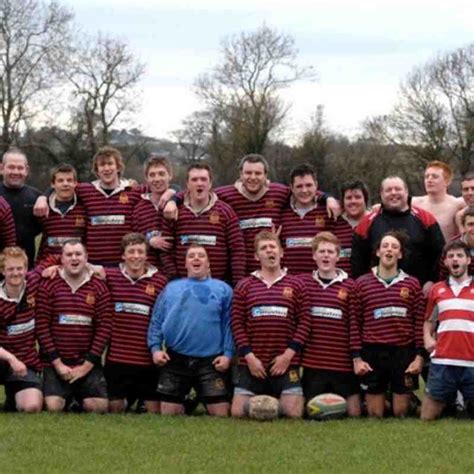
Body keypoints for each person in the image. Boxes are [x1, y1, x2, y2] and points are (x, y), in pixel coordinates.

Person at [230, 231, 310, 418]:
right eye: (264, 248)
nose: (269, 251)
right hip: (252, 363)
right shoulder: (244, 286)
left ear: (281, 252)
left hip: (285, 363)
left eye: (273, 247)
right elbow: (236, 323)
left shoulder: (297, 285)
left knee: (293, 414)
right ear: (257, 256)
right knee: (237, 413)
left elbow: (305, 322)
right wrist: (249, 358)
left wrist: (287, 356)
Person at [148, 244, 234, 416]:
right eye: (191, 256)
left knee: (221, 413)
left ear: (208, 263)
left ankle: (200, 396)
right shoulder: (171, 288)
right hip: (176, 358)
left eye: (201, 256)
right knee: (168, 413)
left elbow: (229, 325)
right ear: (185, 264)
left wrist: (228, 354)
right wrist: (156, 349)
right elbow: (156, 321)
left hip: (211, 361)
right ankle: (188, 400)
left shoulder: (223, 289)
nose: (196, 258)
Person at [352, 231, 426, 418]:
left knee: (400, 412)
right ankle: (381, 396)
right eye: (385, 246)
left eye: (394, 247)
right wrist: (357, 358)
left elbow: (418, 323)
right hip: (372, 351)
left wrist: (419, 357)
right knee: (375, 414)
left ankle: (406, 398)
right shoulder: (362, 283)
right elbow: (354, 323)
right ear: (377, 252)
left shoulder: (412, 284)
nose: (389, 250)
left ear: (400, 254)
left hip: (402, 351)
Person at [36, 239, 112, 413]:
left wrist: (86, 366)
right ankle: (67, 396)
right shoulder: (49, 284)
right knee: (54, 406)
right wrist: (58, 364)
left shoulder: (99, 286)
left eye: (78, 254)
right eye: (69, 254)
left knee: (98, 407)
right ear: (61, 259)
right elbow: (42, 326)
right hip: (56, 362)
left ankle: (77, 396)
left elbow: (104, 327)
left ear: (86, 258)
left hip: (86, 362)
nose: (74, 258)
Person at [35, 146, 143, 266]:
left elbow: (155, 190)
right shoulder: (86, 190)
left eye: (110, 163)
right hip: (92, 265)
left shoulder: (133, 191)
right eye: (102, 165)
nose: (106, 168)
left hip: (124, 263)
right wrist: (43, 197)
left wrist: (169, 196)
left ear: (118, 167)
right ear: (96, 170)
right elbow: (63, 186)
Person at [103, 233, 167, 413]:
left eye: (140, 251)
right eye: (131, 252)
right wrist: (53, 268)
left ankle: (139, 398)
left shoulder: (160, 281)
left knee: (153, 411)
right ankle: (128, 398)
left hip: (146, 359)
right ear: (123, 255)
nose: (136, 256)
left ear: (147, 255)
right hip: (117, 358)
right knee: (113, 409)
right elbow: (84, 268)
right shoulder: (111, 276)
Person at [299, 232, 361, 416]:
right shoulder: (303, 284)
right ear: (314, 255)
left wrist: (356, 357)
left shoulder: (351, 286)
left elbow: (354, 325)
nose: (326, 255)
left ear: (338, 256)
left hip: (342, 363)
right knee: (306, 412)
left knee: (354, 413)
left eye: (330, 252)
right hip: (313, 362)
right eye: (321, 251)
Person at [352, 175, 445, 294]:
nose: (393, 193)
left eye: (398, 189)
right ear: (381, 193)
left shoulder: (425, 218)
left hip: (419, 293)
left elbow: (440, 253)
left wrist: (432, 281)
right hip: (377, 294)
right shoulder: (367, 222)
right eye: (388, 190)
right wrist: (364, 287)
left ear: (406, 191)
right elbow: (358, 260)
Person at [160, 163, 245, 285]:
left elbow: (237, 250)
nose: (199, 183)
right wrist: (174, 279)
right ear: (187, 184)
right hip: (183, 286)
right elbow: (166, 250)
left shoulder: (226, 211)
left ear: (210, 184)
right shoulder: (174, 211)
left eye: (203, 179)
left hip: (217, 286)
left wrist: (236, 285)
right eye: (194, 179)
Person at [421, 240, 474, 421]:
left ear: (468, 260)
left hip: (472, 362)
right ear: (445, 262)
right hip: (443, 361)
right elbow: (429, 322)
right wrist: (428, 339)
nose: (455, 259)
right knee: (427, 417)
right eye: (450, 256)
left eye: (459, 255)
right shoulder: (437, 289)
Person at [0, 247, 43, 412]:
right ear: (3, 271)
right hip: (3, 359)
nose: (16, 273)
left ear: (26, 269)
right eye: (10, 269)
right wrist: (11, 359)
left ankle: (13, 396)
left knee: (31, 406)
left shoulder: (33, 283)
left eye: (19, 268)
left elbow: (55, 257)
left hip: (25, 361)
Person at [280, 164, 334, 274]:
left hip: (319, 283)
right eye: (299, 186)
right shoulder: (281, 211)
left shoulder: (329, 210)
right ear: (291, 187)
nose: (304, 190)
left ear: (316, 185)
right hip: (288, 283)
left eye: (309, 185)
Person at [36, 164, 86, 265]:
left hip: (77, 268)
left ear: (76, 183)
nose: (65, 184)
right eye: (60, 181)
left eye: (69, 180)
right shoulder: (43, 208)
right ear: (52, 184)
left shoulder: (85, 207)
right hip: (48, 267)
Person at [0, 148, 42, 268]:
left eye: (20, 168)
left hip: (25, 267)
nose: (16, 172)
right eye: (11, 167)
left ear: (27, 170)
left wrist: (45, 196)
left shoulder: (37, 197)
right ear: (2, 168)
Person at [131, 155, 173, 270]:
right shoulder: (139, 208)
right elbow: (132, 238)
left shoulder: (179, 203)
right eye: (152, 175)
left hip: (175, 272)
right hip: (147, 272)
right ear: (146, 178)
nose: (157, 179)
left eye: (161, 174)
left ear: (170, 176)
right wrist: (149, 241)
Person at [412, 161, 465, 241]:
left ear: (447, 182)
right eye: (426, 176)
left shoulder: (457, 203)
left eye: (435, 176)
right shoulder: (414, 203)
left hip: (446, 251)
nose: (429, 180)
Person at [333, 180, 370, 276]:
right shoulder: (334, 222)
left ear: (365, 199)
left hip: (368, 285)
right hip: (339, 285)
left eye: (357, 197)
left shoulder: (374, 222)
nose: (353, 201)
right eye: (349, 198)